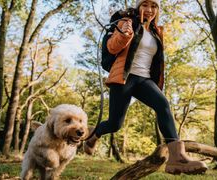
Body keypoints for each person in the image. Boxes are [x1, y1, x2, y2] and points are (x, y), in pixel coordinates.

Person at [85, 0, 207, 175]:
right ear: (138, 7)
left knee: (163, 105)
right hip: (124, 77)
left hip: (144, 80)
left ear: (157, 10)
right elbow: (112, 48)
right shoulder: (126, 22)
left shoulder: (156, 32)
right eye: (145, 5)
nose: (149, 10)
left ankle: (176, 158)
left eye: (153, 6)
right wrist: (125, 34)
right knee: (115, 123)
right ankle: (93, 134)